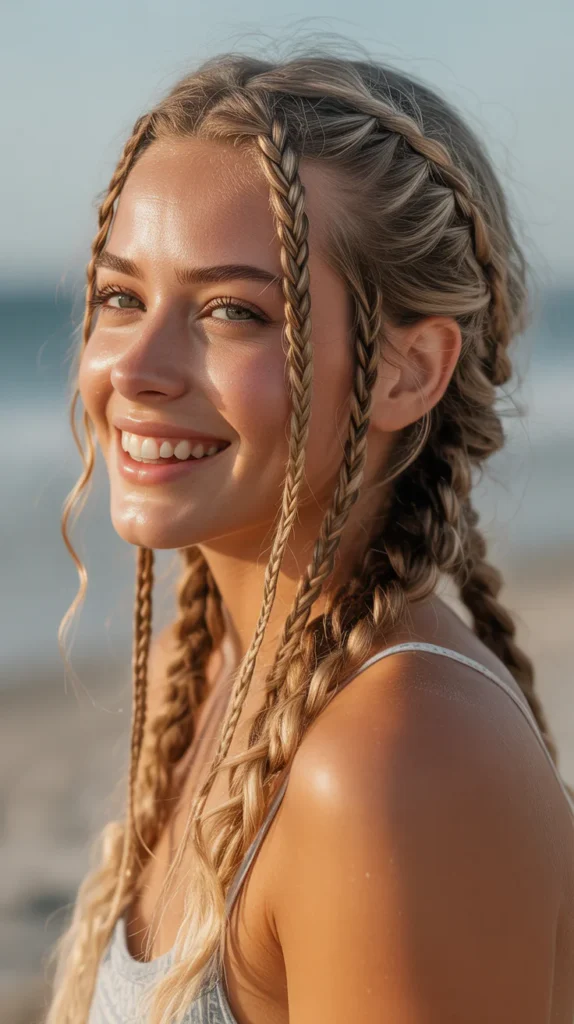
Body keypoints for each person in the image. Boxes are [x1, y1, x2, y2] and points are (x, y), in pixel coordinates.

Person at [45, 42, 574, 1024]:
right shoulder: (212, 669)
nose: (136, 369)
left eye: (231, 311)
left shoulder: (393, 764)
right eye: (122, 296)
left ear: (407, 371)